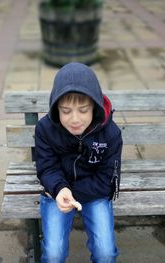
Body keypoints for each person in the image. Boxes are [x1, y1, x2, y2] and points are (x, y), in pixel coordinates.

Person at [35, 62, 123, 263]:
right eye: (66, 111)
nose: (75, 119)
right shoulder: (45, 129)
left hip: (95, 193)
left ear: (95, 106)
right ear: (56, 107)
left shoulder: (111, 134)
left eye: (83, 110)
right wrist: (58, 190)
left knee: (106, 252)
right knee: (53, 254)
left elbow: (106, 180)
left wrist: (70, 192)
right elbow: (47, 167)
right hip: (56, 191)